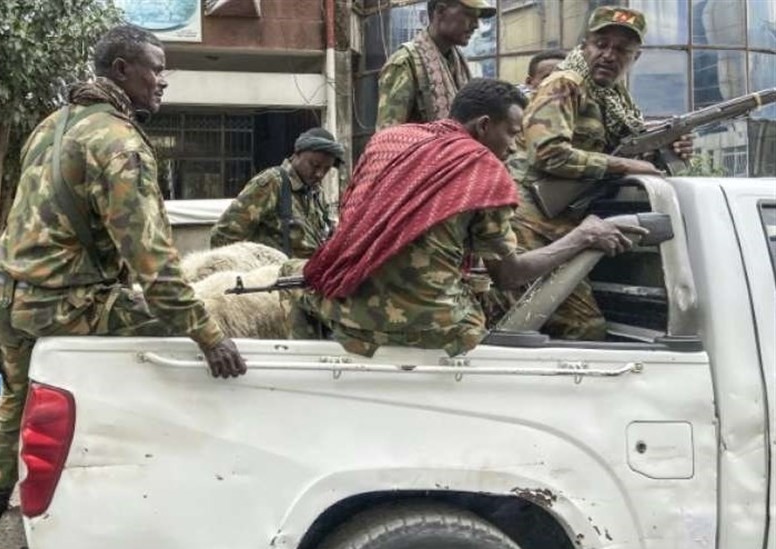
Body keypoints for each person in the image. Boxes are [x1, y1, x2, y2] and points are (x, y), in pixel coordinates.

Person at [0, 25, 246, 549]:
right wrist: (211, 337)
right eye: (156, 69)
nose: (163, 81)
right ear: (122, 70)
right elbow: (155, 267)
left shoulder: (52, 125)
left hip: (8, 299)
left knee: (13, 404)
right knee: (181, 325)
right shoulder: (119, 143)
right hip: (63, 304)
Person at [282, 78, 645, 357]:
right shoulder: (485, 172)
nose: (514, 146)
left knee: (290, 274)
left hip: (348, 318)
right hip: (436, 330)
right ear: (483, 125)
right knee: (487, 307)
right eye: (512, 133)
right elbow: (509, 275)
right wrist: (583, 236)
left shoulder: (386, 142)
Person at [509, 5, 693, 340]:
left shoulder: (616, 100)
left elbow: (626, 149)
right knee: (579, 327)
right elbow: (549, 154)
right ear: (584, 47)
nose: (609, 55)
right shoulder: (564, 84)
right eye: (601, 44)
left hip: (569, 222)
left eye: (621, 49)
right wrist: (624, 164)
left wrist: (668, 149)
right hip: (530, 220)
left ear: (635, 58)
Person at [209, 128, 343, 257]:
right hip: (274, 270)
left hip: (310, 271)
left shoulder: (316, 193)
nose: (319, 174)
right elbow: (223, 236)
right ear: (296, 154)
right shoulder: (272, 183)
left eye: (326, 169)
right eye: (314, 165)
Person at [375, 0, 496, 130]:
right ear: (440, 11)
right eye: (468, 14)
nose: (476, 25)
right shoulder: (405, 63)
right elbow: (387, 136)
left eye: (477, 17)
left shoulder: (459, 64)